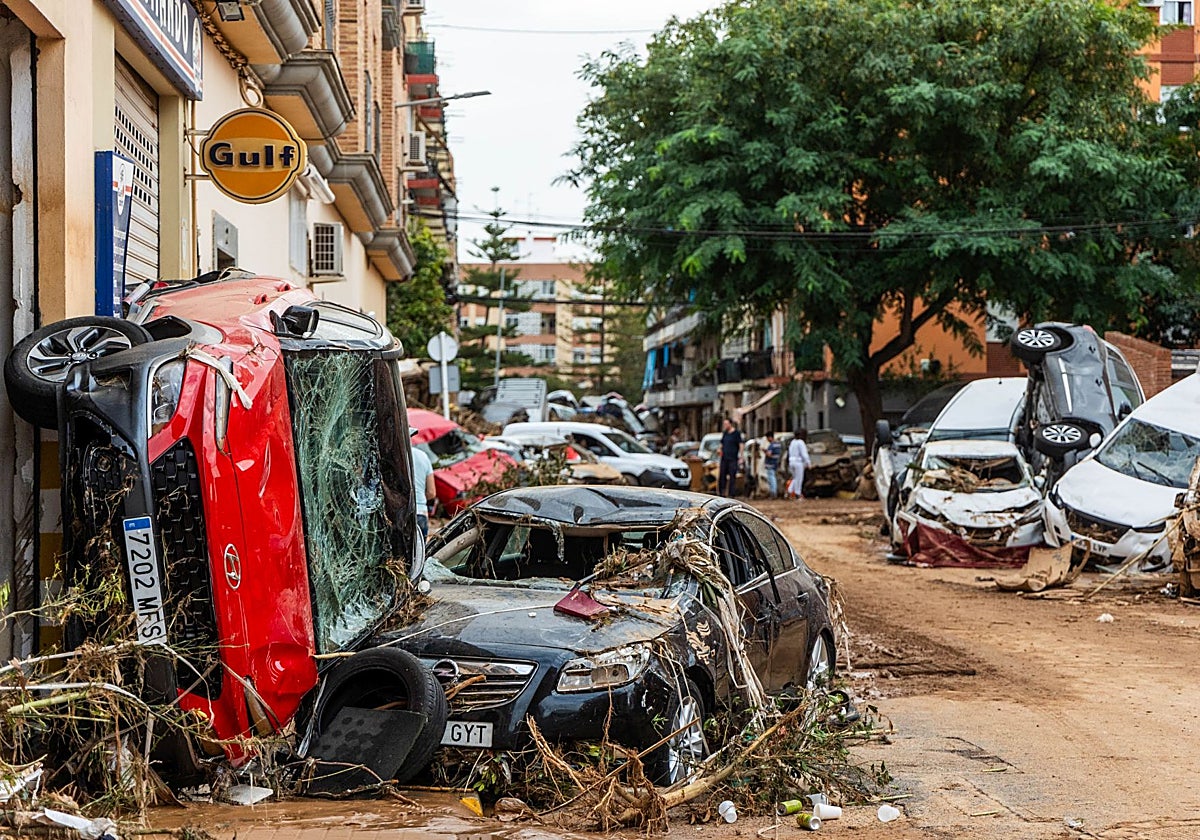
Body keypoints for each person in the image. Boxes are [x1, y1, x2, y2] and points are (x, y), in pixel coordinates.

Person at [411, 437, 436, 538]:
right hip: (420, 512)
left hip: (398, 515)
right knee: (419, 552)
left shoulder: (391, 456)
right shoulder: (423, 456)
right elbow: (431, 492)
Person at [718, 417, 743, 497]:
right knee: (722, 475)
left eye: (726, 424)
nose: (725, 425)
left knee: (732, 476)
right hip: (724, 458)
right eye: (724, 424)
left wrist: (741, 456)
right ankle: (722, 493)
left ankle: (731, 494)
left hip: (733, 458)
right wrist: (719, 449)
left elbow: (741, 445)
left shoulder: (736, 433)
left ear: (730, 424)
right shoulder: (725, 433)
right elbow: (722, 444)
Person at [787, 428, 812, 500]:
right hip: (798, 462)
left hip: (791, 462)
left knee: (794, 478)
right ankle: (798, 494)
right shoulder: (801, 442)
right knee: (799, 479)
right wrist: (808, 463)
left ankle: (789, 491)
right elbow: (804, 454)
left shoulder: (792, 442)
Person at [763, 431, 782, 499]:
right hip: (775, 463)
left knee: (771, 479)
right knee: (773, 478)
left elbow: (769, 454)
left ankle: (773, 493)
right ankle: (774, 492)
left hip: (770, 464)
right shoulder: (778, 444)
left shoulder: (772, 445)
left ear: (770, 437)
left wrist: (764, 451)